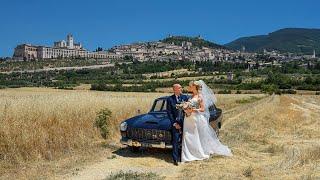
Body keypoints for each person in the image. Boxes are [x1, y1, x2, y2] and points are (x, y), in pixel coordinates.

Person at [181, 80, 232, 162]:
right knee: (187, 136)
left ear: (195, 87)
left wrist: (192, 109)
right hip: (188, 119)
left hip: (195, 118)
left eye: (190, 86)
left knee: (195, 136)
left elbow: (202, 109)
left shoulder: (200, 96)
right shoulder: (190, 96)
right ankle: (187, 154)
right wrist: (185, 108)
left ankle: (197, 154)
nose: (189, 87)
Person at [166, 84, 189, 166]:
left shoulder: (185, 97)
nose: (181, 89)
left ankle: (185, 156)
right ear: (175, 89)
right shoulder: (169, 99)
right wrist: (174, 123)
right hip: (175, 123)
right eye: (179, 88)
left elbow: (188, 109)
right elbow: (169, 113)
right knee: (175, 140)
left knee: (186, 139)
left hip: (185, 122)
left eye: (181, 87)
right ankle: (175, 159)